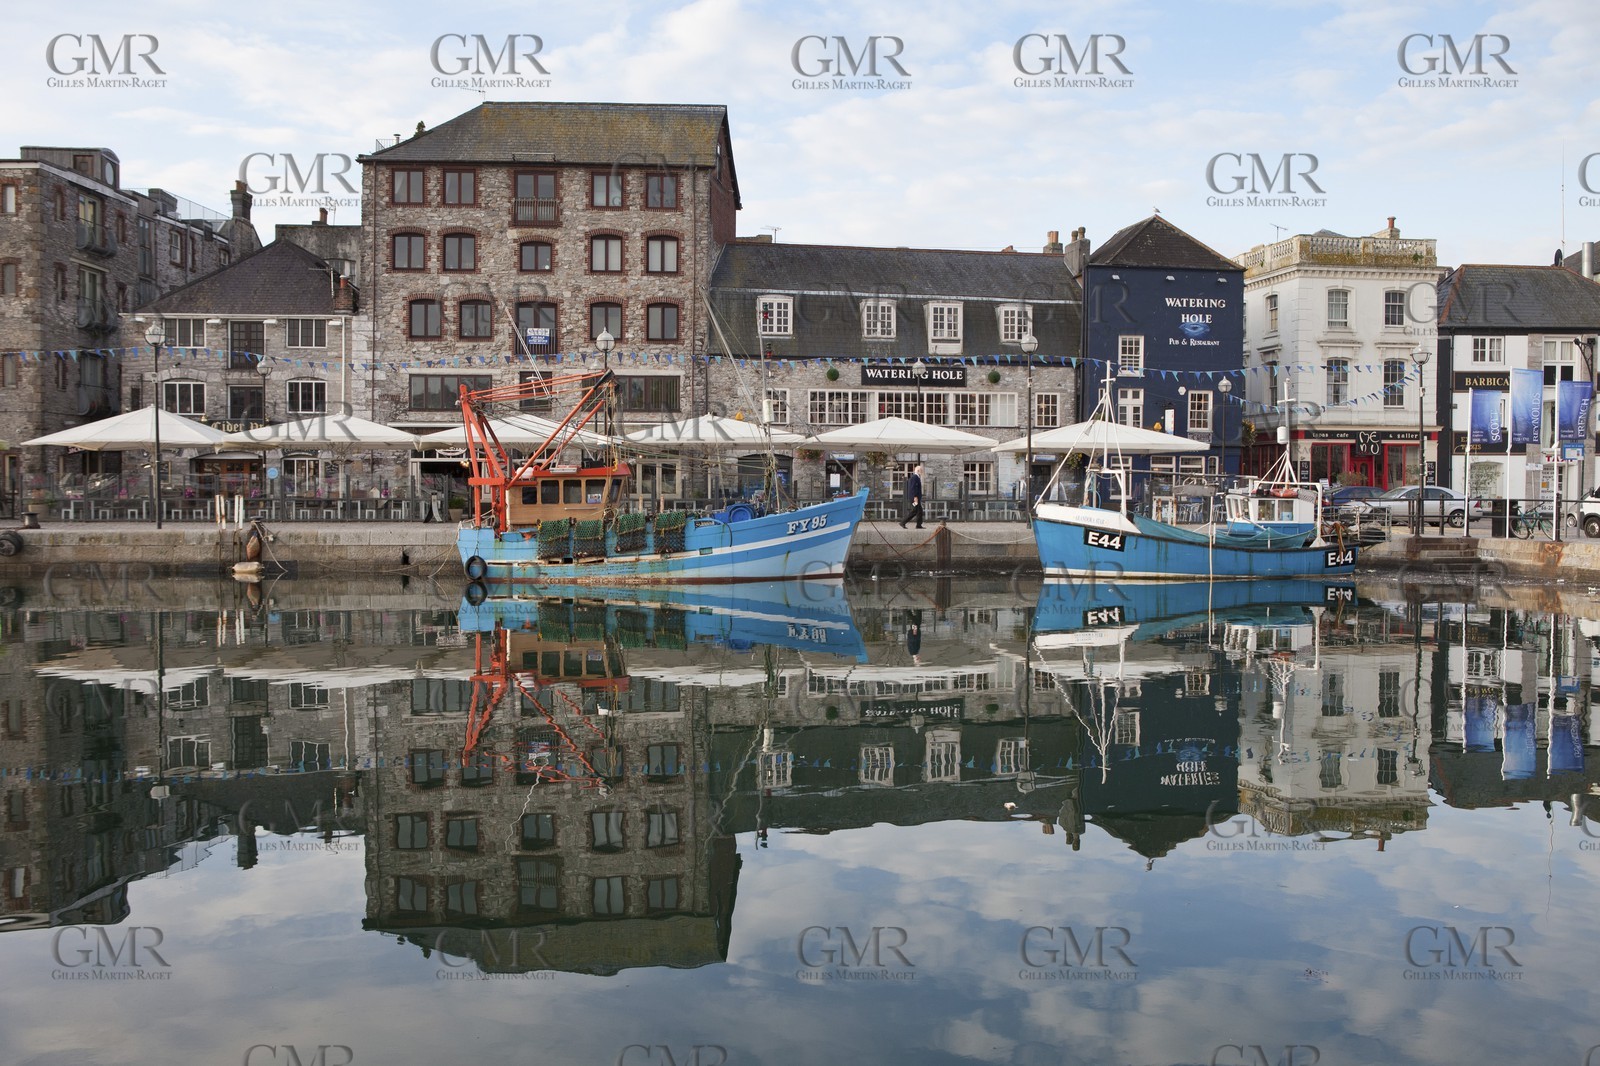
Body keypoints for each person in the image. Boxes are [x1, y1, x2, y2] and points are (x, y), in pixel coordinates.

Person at [900, 464, 924, 529]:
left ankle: (918, 525)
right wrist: (915, 497)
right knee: (915, 511)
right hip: (914, 498)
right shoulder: (914, 477)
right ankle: (903, 522)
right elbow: (913, 488)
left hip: (916, 498)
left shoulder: (916, 477)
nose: (922, 472)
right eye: (921, 470)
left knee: (919, 511)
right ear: (918, 470)